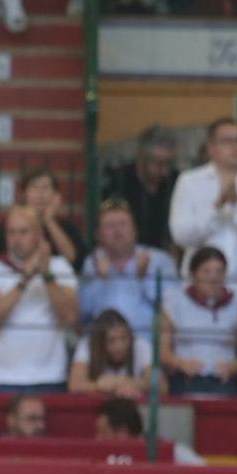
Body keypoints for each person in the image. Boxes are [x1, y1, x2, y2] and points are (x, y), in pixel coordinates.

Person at [0, 204, 78, 393]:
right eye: (11, 233)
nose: (16, 239)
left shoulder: (60, 267)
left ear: (39, 234)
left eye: (23, 232)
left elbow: (70, 317)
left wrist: (46, 275)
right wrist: (25, 280)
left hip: (49, 376)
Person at [169, 117, 237, 291]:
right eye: (227, 141)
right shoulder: (189, 181)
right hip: (199, 286)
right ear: (211, 148)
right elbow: (180, 235)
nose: (235, 147)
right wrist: (216, 208)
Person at [80, 198, 179, 335]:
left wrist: (144, 278)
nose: (117, 231)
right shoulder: (92, 263)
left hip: (147, 343)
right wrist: (101, 281)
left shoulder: (159, 260)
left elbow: (174, 310)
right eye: (109, 226)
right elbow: (82, 313)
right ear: (98, 235)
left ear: (134, 230)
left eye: (123, 224)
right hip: (104, 345)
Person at [159, 246, 237, 397]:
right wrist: (181, 363)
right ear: (193, 275)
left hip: (223, 383)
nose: (213, 278)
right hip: (185, 381)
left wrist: (234, 367)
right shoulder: (174, 301)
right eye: (206, 272)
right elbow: (162, 352)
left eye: (219, 272)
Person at [103, 124, 178, 250]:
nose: (165, 171)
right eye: (159, 163)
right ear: (141, 156)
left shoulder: (175, 180)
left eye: (168, 163)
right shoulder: (120, 181)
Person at [67, 307, 151, 399]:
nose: (120, 346)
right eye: (112, 340)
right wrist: (98, 385)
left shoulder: (140, 344)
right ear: (100, 342)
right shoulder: (87, 344)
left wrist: (126, 383)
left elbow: (161, 386)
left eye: (124, 338)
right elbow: (74, 385)